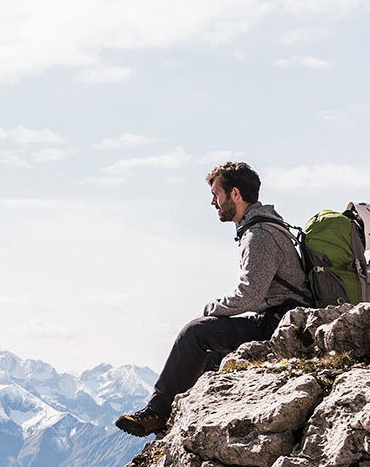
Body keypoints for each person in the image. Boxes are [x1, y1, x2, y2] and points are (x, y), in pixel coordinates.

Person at [116, 162, 312, 437]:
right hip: (279, 317)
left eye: (216, 194)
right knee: (209, 360)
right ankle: (170, 431)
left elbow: (249, 295)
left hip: (279, 323)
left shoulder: (259, 235)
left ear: (235, 194)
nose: (212, 202)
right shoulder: (263, 228)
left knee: (195, 333)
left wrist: (211, 309)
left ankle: (157, 412)